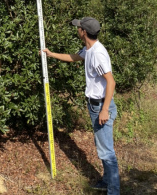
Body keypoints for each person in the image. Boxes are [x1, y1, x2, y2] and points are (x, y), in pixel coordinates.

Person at [43, 17, 120, 194]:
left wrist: (104, 109)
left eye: (79, 28)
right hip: (95, 106)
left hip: (101, 106)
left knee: (107, 152)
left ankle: (114, 191)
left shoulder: (98, 53)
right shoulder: (89, 49)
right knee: (101, 146)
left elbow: (111, 82)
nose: (77, 30)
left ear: (84, 32)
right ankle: (106, 181)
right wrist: (51, 54)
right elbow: (74, 57)